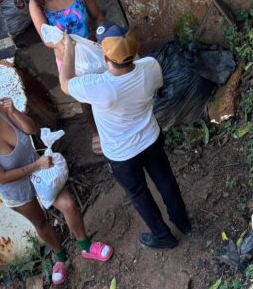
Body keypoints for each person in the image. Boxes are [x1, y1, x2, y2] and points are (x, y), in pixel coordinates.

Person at [0, 85, 113, 284]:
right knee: (41, 222)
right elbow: (2, 177)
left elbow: (31, 129)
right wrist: (35, 165)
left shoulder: (1, 113)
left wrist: (13, 111)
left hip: (40, 172)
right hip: (14, 187)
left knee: (68, 205)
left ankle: (86, 247)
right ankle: (60, 258)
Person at [58, 25, 192, 249]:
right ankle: (183, 221)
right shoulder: (150, 66)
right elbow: (153, 82)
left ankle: (162, 236)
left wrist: (69, 48)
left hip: (121, 154)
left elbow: (64, 83)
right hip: (150, 139)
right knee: (165, 180)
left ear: (106, 56)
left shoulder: (98, 85)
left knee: (139, 195)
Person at [24, 0, 106, 154]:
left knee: (107, 89)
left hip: (94, 49)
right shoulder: (37, 4)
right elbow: (46, 39)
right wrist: (65, 45)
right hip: (67, 58)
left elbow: (98, 16)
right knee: (85, 99)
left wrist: (103, 36)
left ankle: (114, 123)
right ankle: (97, 131)